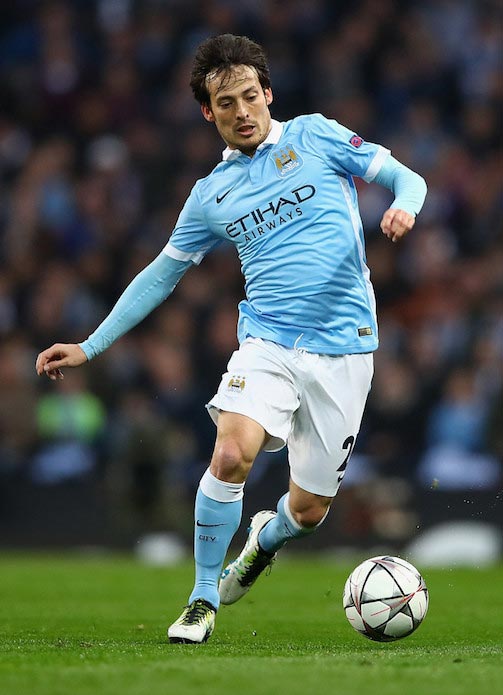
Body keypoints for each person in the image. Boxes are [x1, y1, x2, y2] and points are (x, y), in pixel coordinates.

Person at [36, 34, 427, 644]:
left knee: (307, 513)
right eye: (226, 103)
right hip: (266, 345)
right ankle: (201, 600)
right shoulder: (209, 196)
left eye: (251, 96)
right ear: (207, 112)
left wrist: (403, 207)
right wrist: (91, 345)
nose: (242, 111)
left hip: (346, 347)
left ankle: (262, 542)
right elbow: (160, 275)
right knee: (230, 454)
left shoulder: (317, 136)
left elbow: (409, 179)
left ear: (269, 94)